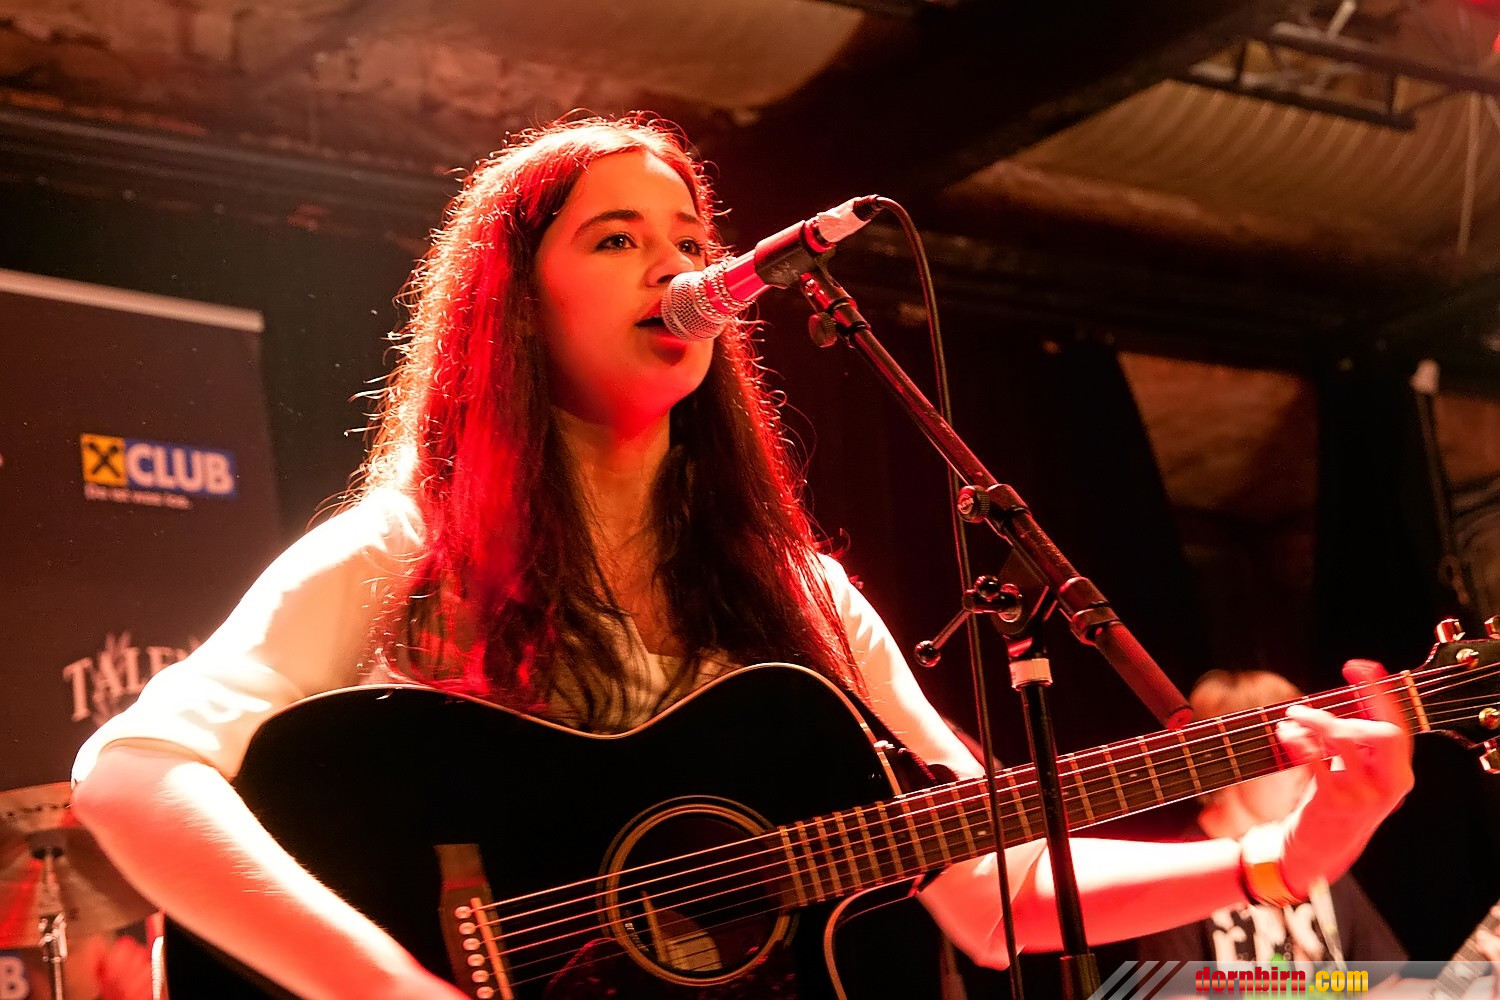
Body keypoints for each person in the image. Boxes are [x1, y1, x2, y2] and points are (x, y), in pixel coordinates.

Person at [67, 114, 1415, 999]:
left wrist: (1284, 857)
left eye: (692, 245)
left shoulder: (801, 596)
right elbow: (130, 777)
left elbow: (989, 891)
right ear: (517, 308)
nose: (676, 270)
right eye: (616, 240)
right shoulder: (409, 548)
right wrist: (390, 988)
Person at [1132, 671, 1406, 968]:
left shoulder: (1308, 851)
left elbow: (1387, 980)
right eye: (1285, 756)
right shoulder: (1179, 874)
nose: (1306, 771)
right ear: (1229, 763)